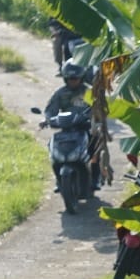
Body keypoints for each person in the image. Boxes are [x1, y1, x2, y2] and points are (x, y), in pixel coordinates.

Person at [44, 60, 101, 189]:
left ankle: (96, 178)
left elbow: (99, 108)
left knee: (96, 147)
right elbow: (50, 110)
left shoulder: (89, 92)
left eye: (75, 78)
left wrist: (95, 119)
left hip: (86, 128)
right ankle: (59, 180)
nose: (72, 81)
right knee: (52, 147)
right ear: (65, 79)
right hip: (66, 129)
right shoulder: (60, 93)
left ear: (81, 78)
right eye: (70, 78)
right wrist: (47, 119)